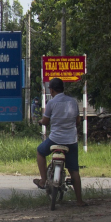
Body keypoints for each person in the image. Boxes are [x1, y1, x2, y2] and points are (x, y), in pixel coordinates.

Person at [35, 78, 86, 206]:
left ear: (51, 90)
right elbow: (78, 121)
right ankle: (79, 201)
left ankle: (43, 180)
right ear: (63, 88)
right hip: (71, 141)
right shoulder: (73, 102)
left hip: (55, 140)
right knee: (74, 170)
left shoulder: (51, 103)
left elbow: (45, 122)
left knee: (40, 152)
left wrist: (41, 122)